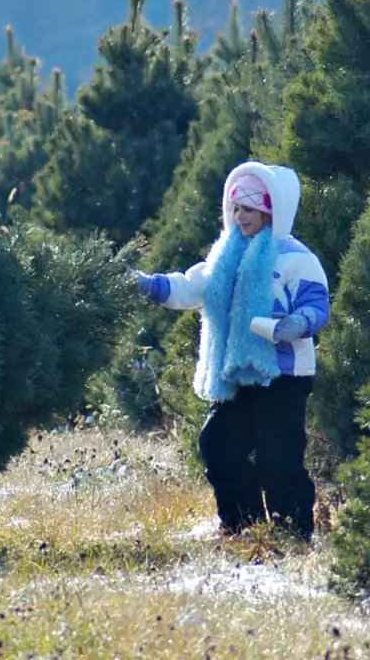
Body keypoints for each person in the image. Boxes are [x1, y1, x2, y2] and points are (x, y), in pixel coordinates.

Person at [132, 160, 330, 542]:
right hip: (239, 373)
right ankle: (243, 527)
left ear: (273, 211)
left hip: (284, 374)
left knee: (278, 458)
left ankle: (293, 534)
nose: (240, 217)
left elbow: (317, 305)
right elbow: (191, 287)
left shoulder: (296, 258)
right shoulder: (226, 255)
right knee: (218, 445)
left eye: (250, 209)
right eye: (236, 207)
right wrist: (149, 286)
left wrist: (297, 323)